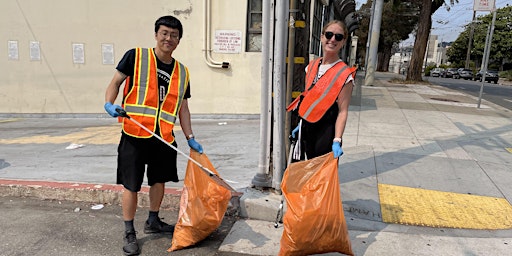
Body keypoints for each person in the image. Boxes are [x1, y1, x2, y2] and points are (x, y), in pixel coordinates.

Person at [103, 15, 203, 256]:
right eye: (165, 33)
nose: (169, 38)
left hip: (164, 137)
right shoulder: (136, 56)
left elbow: (183, 107)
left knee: (159, 180)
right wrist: (109, 103)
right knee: (132, 185)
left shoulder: (182, 71)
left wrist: (190, 137)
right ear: (156, 34)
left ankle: (153, 221)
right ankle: (129, 231)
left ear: (179, 40)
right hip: (135, 133)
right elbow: (115, 82)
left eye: (174, 35)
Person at [287, 20, 356, 161]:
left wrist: (337, 139)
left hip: (325, 131)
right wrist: (301, 124)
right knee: (304, 171)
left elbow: (343, 111)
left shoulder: (344, 74)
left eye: (338, 37)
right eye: (329, 34)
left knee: (320, 178)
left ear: (343, 42)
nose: (332, 39)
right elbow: (309, 97)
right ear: (322, 37)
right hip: (306, 128)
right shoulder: (311, 66)